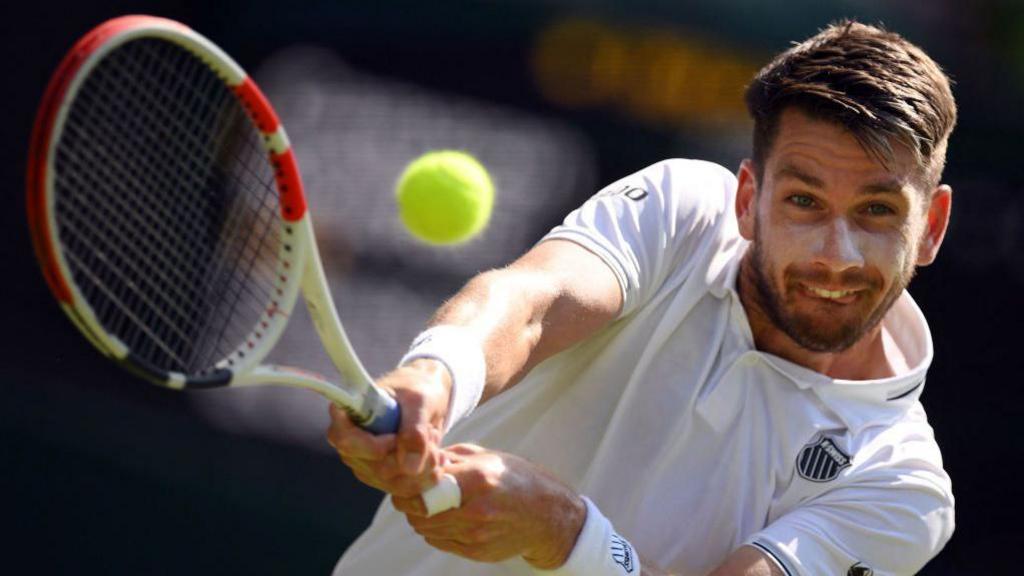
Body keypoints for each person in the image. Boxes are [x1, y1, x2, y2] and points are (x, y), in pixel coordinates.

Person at [327, 20, 957, 576]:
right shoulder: (685, 210)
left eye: (877, 211)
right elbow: (533, 303)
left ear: (929, 227)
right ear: (746, 202)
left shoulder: (902, 487)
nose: (836, 253)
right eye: (803, 202)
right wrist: (437, 377)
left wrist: (565, 532)